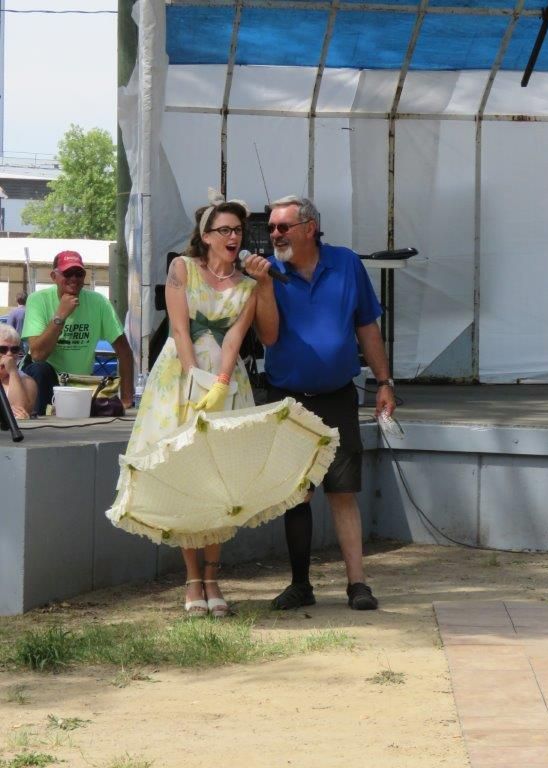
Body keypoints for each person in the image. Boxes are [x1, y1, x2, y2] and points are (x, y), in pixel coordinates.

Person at [244, 195, 396, 611]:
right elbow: (270, 337)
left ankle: (358, 584)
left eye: (282, 227)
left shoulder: (346, 263)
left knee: (343, 492)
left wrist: (384, 381)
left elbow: (367, 326)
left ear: (310, 228)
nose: (274, 234)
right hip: (289, 399)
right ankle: (300, 584)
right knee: (297, 495)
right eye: (271, 228)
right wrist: (263, 285)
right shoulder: (268, 272)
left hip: (337, 396)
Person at [114, 192, 257, 617]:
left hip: (224, 380)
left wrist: (222, 382)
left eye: (237, 230)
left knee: (219, 479)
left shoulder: (248, 283)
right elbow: (178, 328)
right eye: (225, 230)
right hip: (180, 376)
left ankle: (213, 577)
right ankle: (193, 581)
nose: (233, 236)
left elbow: (234, 337)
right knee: (185, 471)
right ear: (206, 235)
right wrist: (195, 380)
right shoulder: (183, 268)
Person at [21, 251, 134, 415]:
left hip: (80, 387)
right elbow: (38, 354)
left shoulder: (99, 302)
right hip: (45, 382)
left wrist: (126, 399)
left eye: (79, 273)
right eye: (68, 273)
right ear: (54, 276)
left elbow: (124, 351)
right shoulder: (38, 300)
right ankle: (41, 417)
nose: (74, 278)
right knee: (40, 369)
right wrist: (60, 316)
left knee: (113, 409)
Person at [0, 324, 37, 419]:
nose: (9, 354)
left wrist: (12, 372)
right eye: (2, 349)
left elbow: (20, 411)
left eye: (14, 349)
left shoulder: (26, 381)